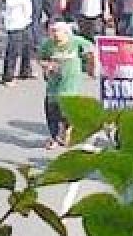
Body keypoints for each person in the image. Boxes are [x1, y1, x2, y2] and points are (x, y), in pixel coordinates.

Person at [39, 21, 94, 149]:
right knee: (51, 108)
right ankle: (53, 137)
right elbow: (41, 57)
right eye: (52, 32)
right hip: (53, 83)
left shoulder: (76, 41)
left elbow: (91, 49)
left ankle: (66, 131)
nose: (55, 35)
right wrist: (47, 65)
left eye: (57, 32)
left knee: (67, 109)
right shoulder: (48, 44)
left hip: (70, 82)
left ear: (66, 33)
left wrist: (90, 65)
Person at [1, 0, 35, 86]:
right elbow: (10, 1)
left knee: (27, 46)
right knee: (13, 49)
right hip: (14, 20)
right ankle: (8, 77)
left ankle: (25, 71)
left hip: (25, 19)